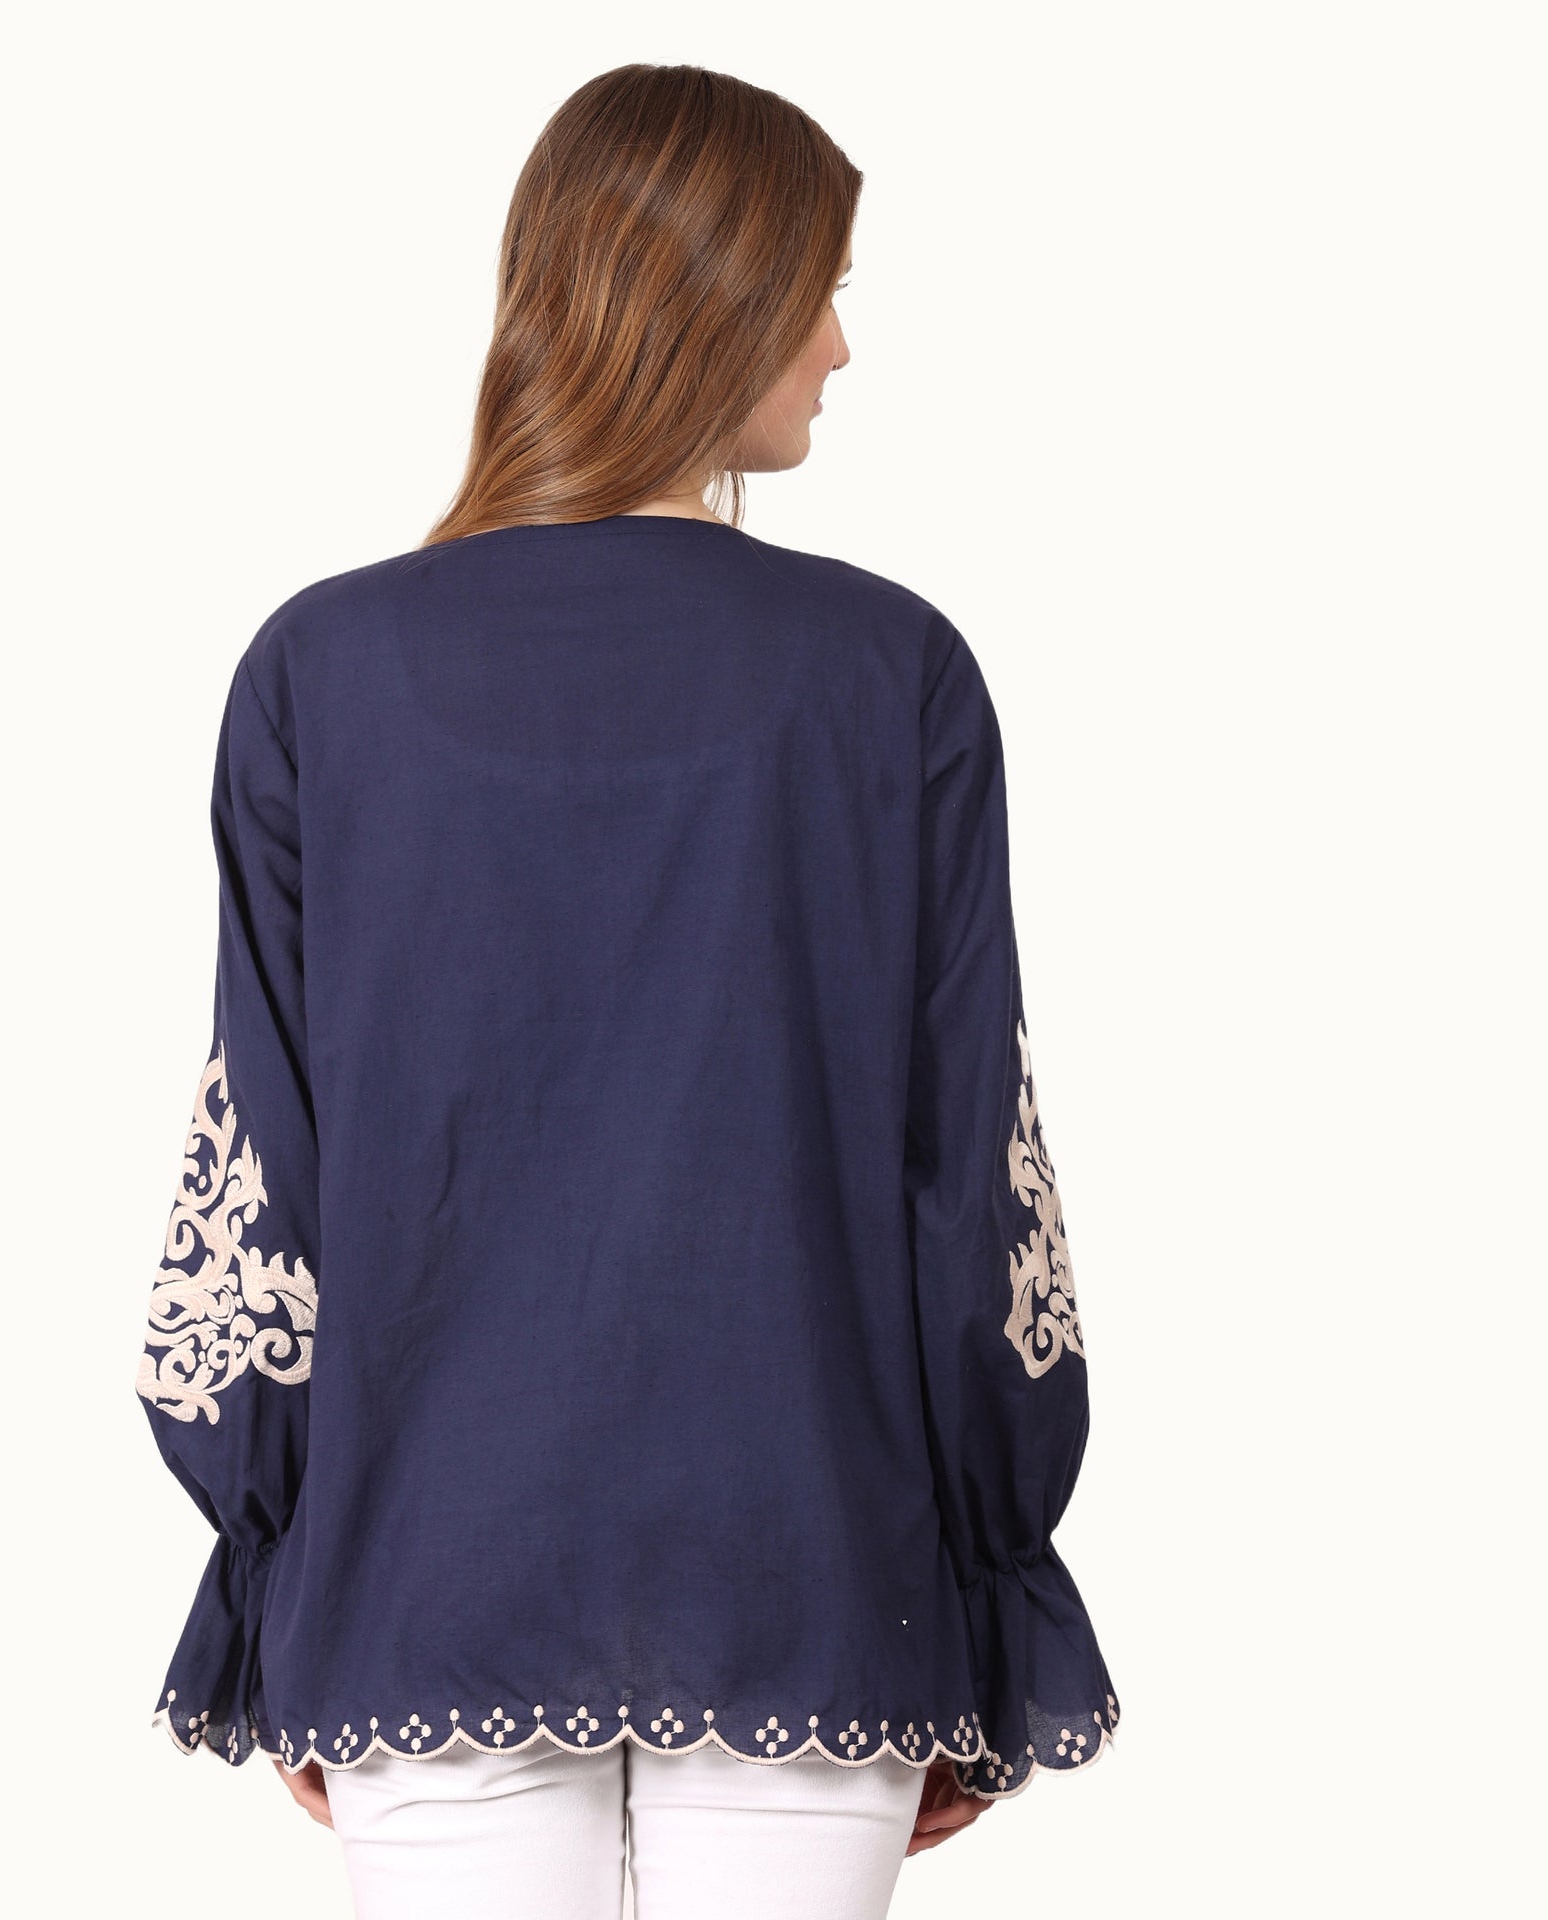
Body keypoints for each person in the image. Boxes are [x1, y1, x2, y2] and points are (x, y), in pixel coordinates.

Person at [134, 60, 1119, 1919]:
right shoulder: (891, 674)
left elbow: (261, 1174)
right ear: (715, 296)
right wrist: (985, 1582)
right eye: (818, 291)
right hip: (813, 1570)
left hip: (424, 1575)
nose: (840, 348)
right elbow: (971, 1182)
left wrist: (281, 1567)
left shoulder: (321, 673)